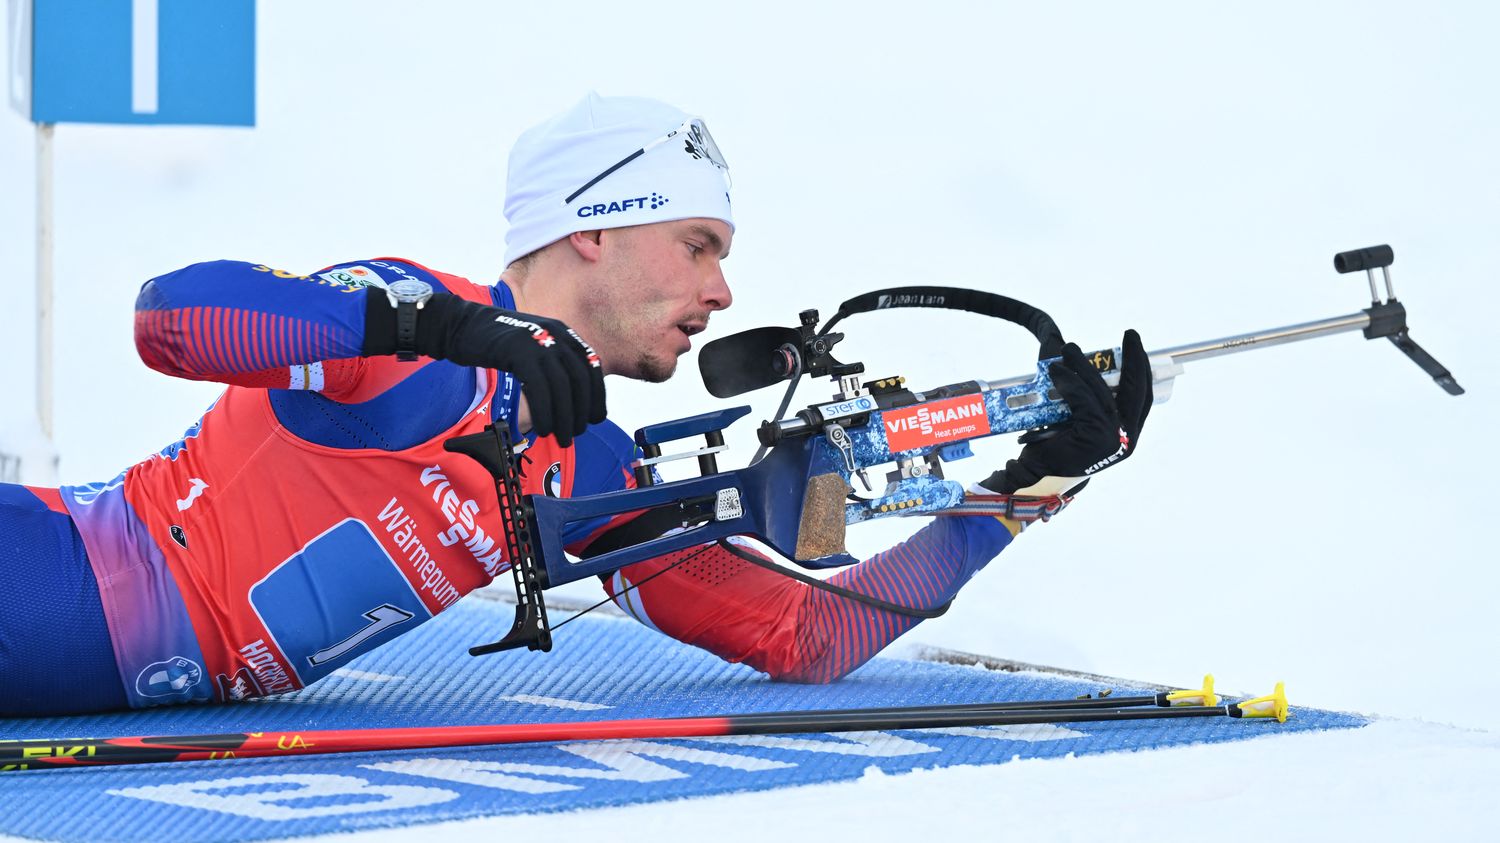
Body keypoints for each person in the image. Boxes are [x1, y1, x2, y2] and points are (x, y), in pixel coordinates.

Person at [0, 94, 1152, 716]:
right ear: (594, 230)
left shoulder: (586, 462)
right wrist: (447, 328)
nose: (722, 290)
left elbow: (809, 636)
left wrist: (1025, 488)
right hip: (57, 567)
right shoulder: (412, 320)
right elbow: (170, 319)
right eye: (698, 245)